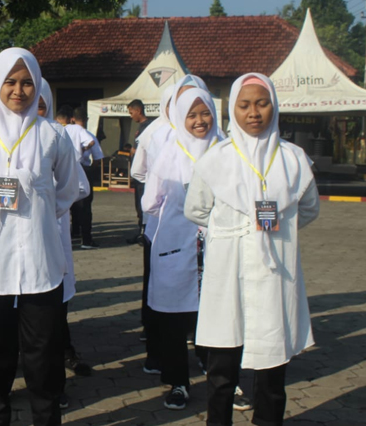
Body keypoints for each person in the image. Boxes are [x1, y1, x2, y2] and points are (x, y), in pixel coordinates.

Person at [184, 73, 319, 426]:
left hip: (276, 274)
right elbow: (195, 209)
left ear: (274, 106)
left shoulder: (294, 159)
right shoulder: (217, 159)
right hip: (229, 274)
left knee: (272, 375)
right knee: (222, 372)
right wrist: (239, 232)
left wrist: (275, 233)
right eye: (244, 105)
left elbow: (309, 208)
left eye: (262, 103)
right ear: (232, 110)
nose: (254, 113)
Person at [0, 48, 79, 426]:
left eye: (27, 82)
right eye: (10, 81)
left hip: (41, 264)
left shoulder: (53, 136)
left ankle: (46, 416)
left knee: (44, 353)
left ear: (38, 85)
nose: (19, 90)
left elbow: (67, 191)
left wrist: (36, 218)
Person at [142, 87, 219, 410]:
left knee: (217, 316)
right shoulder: (168, 155)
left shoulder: (225, 150)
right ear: (179, 117)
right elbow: (150, 202)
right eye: (192, 114)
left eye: (205, 114)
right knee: (175, 321)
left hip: (218, 248)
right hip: (175, 246)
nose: (200, 121)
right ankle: (178, 382)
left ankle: (223, 380)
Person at [39, 78, 93, 410]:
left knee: (54, 307)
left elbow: (80, 188)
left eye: (42, 105)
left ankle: (60, 366)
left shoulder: (57, 140)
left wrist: (53, 203)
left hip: (53, 231)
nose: (36, 109)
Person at [55, 106, 99, 249]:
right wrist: (82, 150)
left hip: (60, 168)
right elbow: (92, 144)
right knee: (84, 205)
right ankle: (86, 239)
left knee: (69, 205)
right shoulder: (81, 130)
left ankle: (73, 233)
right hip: (78, 166)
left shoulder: (57, 130)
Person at [126, 99, 155, 245]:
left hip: (145, 174)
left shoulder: (149, 127)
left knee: (145, 205)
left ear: (138, 111)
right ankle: (140, 231)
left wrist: (136, 151)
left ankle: (146, 232)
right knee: (138, 205)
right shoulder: (140, 127)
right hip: (137, 174)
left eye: (131, 112)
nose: (131, 116)